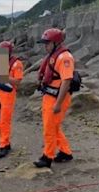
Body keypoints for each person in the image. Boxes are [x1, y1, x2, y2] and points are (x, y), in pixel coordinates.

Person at [34, 28, 74, 168]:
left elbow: (67, 80)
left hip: (56, 98)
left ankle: (47, 157)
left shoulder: (65, 58)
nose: (45, 46)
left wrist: (58, 103)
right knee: (54, 127)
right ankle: (65, 152)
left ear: (56, 43)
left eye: (47, 43)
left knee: (49, 128)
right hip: (49, 96)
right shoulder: (53, 55)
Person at [0, 41, 24, 158]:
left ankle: (4, 145)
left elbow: (18, 81)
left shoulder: (17, 64)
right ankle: (4, 142)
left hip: (8, 94)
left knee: (4, 120)